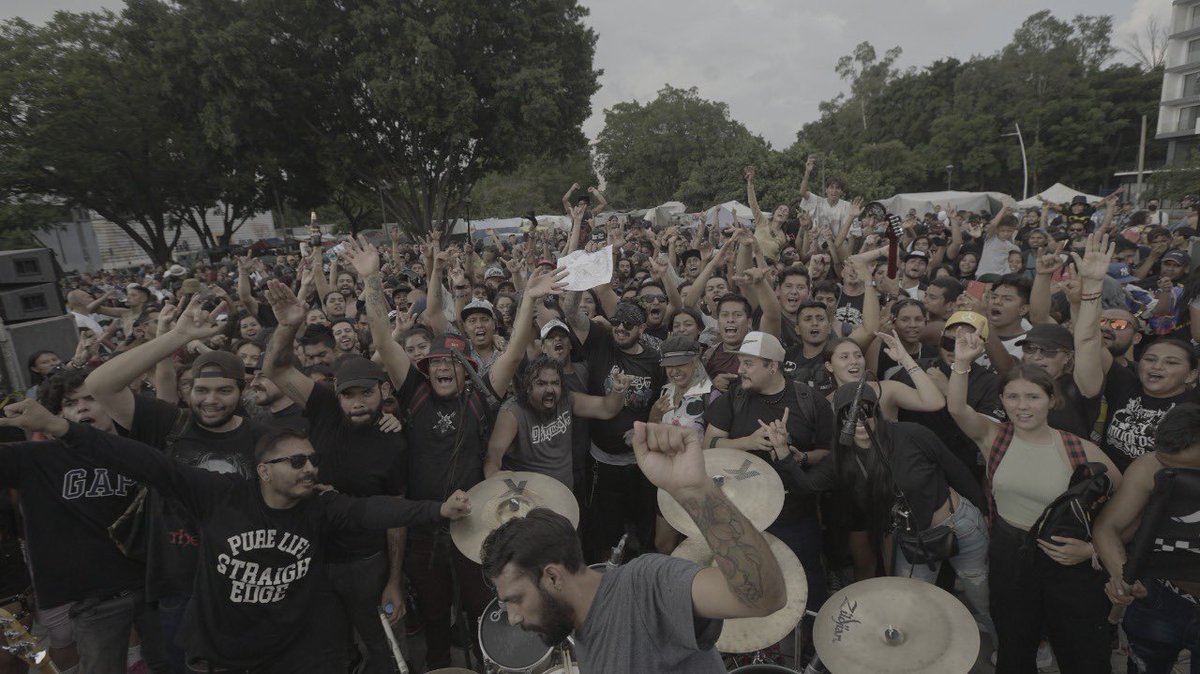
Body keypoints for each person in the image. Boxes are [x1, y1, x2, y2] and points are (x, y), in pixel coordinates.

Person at [0, 398, 470, 673]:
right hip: (220, 656)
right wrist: (58, 426)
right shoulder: (217, 495)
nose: (311, 468)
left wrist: (436, 509)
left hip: (291, 654)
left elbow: (372, 509)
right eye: (297, 462)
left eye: (313, 460)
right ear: (264, 471)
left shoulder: (321, 507)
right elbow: (144, 461)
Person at [480, 422, 787, 674]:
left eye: (515, 599)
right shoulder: (581, 628)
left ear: (552, 577)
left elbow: (765, 597)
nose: (513, 618)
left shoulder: (645, 587)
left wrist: (695, 490)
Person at [84, 296, 273, 671]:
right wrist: (176, 337)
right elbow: (100, 384)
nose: (211, 401)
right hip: (179, 585)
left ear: (242, 390)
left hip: (246, 583)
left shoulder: (264, 439)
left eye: (224, 391)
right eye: (201, 390)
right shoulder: (168, 424)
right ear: (188, 391)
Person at [948, 331, 1121, 674]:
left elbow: (1126, 502)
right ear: (1002, 400)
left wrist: (1095, 550)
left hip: (1065, 558)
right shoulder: (994, 438)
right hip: (1010, 554)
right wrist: (962, 362)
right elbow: (956, 407)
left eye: (1032, 397)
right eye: (1012, 397)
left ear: (1051, 401)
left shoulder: (1077, 448)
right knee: (1014, 644)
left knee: (1081, 652)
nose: (1022, 406)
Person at [260, 281, 410, 674]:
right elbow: (275, 369)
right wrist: (288, 326)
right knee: (329, 651)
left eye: (366, 394)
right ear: (337, 394)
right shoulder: (324, 406)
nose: (357, 403)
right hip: (312, 556)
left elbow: (395, 516)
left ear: (382, 391)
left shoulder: (394, 443)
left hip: (366, 564)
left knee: (384, 648)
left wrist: (394, 579)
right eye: (348, 395)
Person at [778, 382, 990, 631]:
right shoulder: (841, 459)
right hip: (914, 542)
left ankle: (1000, 641)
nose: (859, 419)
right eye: (848, 413)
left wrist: (984, 511)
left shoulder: (912, 434)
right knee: (909, 609)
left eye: (865, 410)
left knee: (980, 599)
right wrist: (783, 453)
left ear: (876, 411)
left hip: (959, 524)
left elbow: (955, 469)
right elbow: (806, 485)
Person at [0, 368, 170, 673]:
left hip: (156, 586)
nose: (82, 407)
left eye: (91, 398)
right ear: (56, 414)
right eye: (70, 403)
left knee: (168, 663)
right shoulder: (35, 458)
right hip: (95, 600)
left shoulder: (140, 448)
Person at [704, 331, 834, 614]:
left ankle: (810, 636)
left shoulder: (809, 400)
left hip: (795, 514)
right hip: (742, 515)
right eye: (740, 362)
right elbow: (708, 446)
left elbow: (828, 452)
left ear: (772, 366)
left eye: (748, 363)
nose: (740, 370)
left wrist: (800, 456)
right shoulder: (733, 398)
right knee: (748, 585)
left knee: (805, 584)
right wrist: (748, 442)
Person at [1095, 403, 1200, 674]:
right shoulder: (1151, 465)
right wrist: (1122, 574)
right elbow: (1108, 527)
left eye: (1188, 472)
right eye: (1167, 467)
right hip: (1162, 596)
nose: (1174, 478)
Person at [484, 355, 628, 488]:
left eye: (555, 383)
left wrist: (618, 391)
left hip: (563, 494)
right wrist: (497, 477)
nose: (550, 389)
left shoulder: (566, 400)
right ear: (528, 388)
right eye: (541, 383)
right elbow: (492, 458)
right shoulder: (512, 413)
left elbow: (606, 409)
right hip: (530, 499)